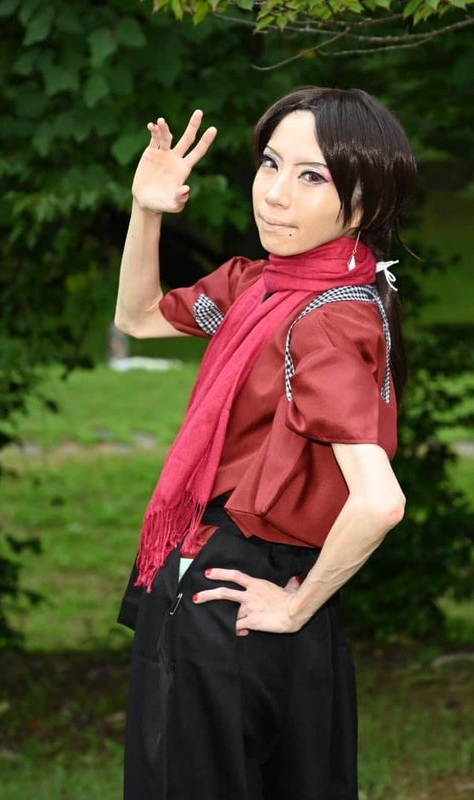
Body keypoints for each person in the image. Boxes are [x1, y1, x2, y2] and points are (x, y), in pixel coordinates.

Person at [113, 86, 416, 800]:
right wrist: (146, 211)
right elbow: (139, 317)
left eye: (312, 176)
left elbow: (379, 501)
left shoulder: (320, 322)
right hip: (271, 593)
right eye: (271, 164)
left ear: (365, 201)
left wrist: (295, 606)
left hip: (239, 595)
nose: (276, 194)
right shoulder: (266, 286)